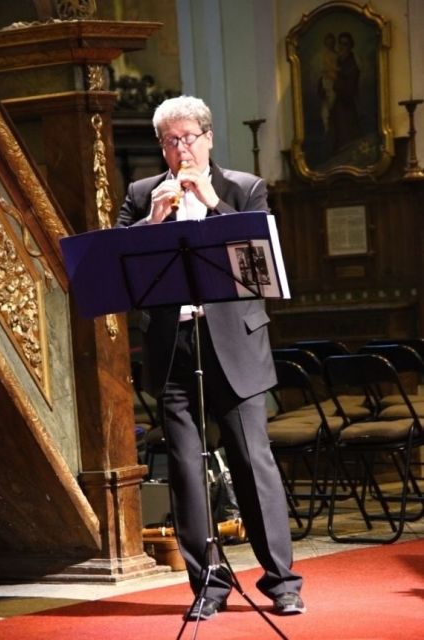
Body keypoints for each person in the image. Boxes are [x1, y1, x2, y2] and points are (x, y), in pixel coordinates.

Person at [116, 95, 305, 621]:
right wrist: (154, 219)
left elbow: (259, 258)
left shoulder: (245, 188)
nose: (181, 150)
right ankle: (208, 587)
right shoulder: (140, 195)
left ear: (208, 138)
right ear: (162, 147)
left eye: (188, 138)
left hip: (234, 346)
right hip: (172, 348)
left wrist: (213, 203)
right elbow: (120, 263)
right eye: (170, 141)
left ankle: (282, 583)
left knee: (251, 462)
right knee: (185, 470)